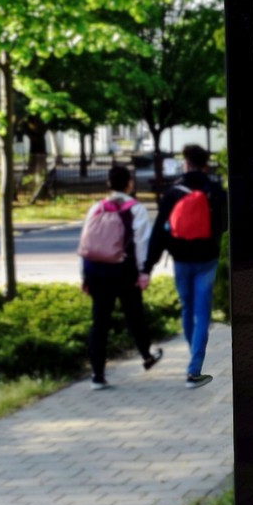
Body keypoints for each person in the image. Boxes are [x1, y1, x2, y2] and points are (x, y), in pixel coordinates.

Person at [145, 144, 228, 388]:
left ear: (185, 163)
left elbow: (159, 232)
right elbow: (223, 225)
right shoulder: (215, 191)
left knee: (186, 309)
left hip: (181, 259)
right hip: (207, 259)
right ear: (205, 164)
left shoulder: (173, 193)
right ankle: (194, 370)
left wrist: (148, 265)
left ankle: (193, 357)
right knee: (202, 313)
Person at [80, 165, 161, 388]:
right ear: (129, 184)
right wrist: (144, 272)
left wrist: (84, 275)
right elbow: (141, 243)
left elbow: (86, 244)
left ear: (108, 184)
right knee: (134, 315)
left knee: (99, 322)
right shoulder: (136, 209)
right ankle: (147, 356)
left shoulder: (96, 208)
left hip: (96, 271)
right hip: (124, 271)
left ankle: (97, 375)